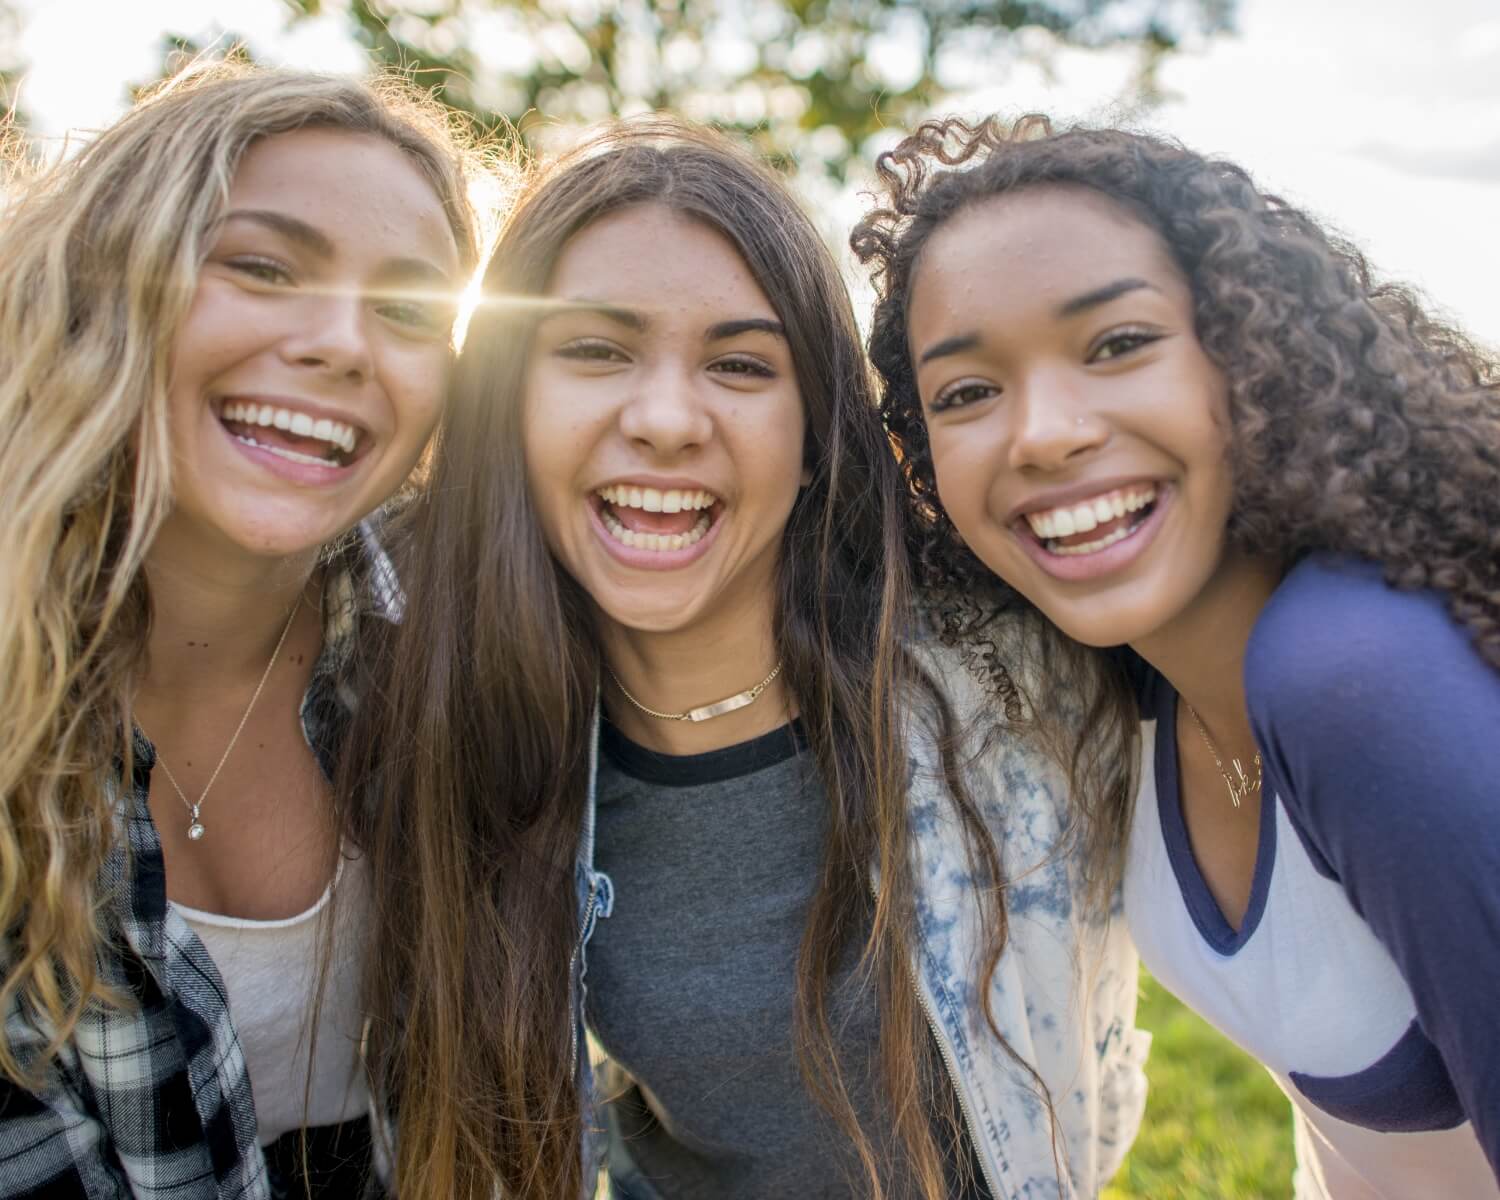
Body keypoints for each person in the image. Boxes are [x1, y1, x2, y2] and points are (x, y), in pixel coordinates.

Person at [338, 117, 1148, 1200]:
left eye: (738, 363)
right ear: (508, 406)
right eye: (594, 349)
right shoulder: (457, 711)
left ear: (816, 431)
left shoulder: (1009, 668)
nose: (667, 419)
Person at [853, 114, 1500, 1199]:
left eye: (1117, 344)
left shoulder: (1357, 675)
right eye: (966, 392)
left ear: (1254, 354)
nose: (1045, 434)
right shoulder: (1131, 668)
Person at [0, 63, 482, 1198]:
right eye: (264, 268)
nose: (343, 345)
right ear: (103, 287)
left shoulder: (456, 655)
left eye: (411, 310)